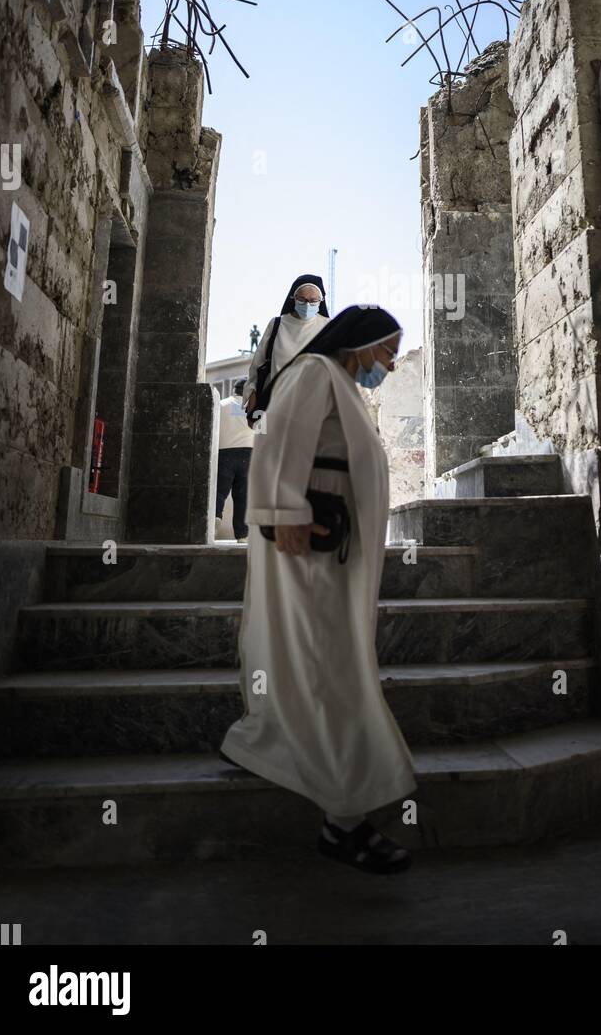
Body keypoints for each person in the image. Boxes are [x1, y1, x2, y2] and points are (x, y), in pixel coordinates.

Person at [220, 305, 416, 874]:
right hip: (307, 545)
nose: (390, 365)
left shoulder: (345, 385)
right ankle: (345, 821)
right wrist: (287, 515)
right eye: (388, 352)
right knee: (326, 662)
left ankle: (329, 797)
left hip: (331, 551)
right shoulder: (313, 372)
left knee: (332, 660)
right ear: (363, 343)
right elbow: (281, 441)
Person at [242, 274, 331, 420]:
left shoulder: (327, 327)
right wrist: (252, 397)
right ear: (293, 298)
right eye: (302, 299)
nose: (307, 305)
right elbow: (257, 366)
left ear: (321, 302)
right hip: (276, 405)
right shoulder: (277, 324)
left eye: (313, 301)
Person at [215, 379, 254, 542]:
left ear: (234, 390)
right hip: (248, 454)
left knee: (219, 493)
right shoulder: (256, 409)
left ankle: (214, 519)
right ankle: (242, 535)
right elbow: (262, 435)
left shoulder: (221, 405)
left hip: (224, 453)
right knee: (243, 497)